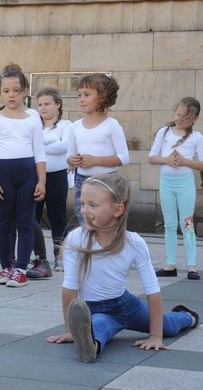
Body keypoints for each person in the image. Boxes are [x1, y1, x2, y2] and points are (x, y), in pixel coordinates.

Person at [45, 173, 199, 363]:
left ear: (117, 210)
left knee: (167, 326)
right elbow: (70, 288)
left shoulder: (134, 243)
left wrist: (155, 336)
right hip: (94, 309)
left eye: (93, 205)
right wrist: (69, 330)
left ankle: (187, 316)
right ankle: (89, 346)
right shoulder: (77, 238)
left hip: (126, 305)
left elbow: (152, 290)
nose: (84, 210)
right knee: (99, 327)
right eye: (82, 203)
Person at [0, 63, 46, 287]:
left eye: (16, 90)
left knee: (26, 223)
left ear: (25, 91)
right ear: (0, 92)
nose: (11, 95)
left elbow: (40, 153)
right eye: (6, 91)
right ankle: (5, 268)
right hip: (3, 175)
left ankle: (20, 269)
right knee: (3, 222)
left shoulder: (32, 118)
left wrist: (42, 182)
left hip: (28, 175)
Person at [148, 97, 203, 280]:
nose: (179, 119)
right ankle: (170, 264)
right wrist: (167, 160)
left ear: (193, 119)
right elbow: (152, 157)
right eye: (177, 114)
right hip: (166, 183)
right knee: (169, 225)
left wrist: (185, 161)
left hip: (185, 183)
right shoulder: (164, 132)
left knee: (187, 224)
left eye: (184, 117)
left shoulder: (196, 137)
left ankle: (191, 266)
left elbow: (202, 163)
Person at [66, 73, 129, 225]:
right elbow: (69, 156)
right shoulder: (75, 126)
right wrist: (72, 160)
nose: (81, 99)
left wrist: (94, 160)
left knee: (105, 222)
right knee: (84, 220)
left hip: (107, 181)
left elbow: (124, 157)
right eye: (79, 95)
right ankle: (87, 248)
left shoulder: (111, 125)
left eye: (87, 95)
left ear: (102, 97)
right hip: (82, 181)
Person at [35, 87, 73, 272]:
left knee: (57, 217)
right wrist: (50, 143)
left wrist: (40, 146)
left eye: (47, 103)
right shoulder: (34, 125)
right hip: (34, 177)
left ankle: (61, 256)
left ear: (58, 104)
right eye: (40, 104)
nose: (43, 108)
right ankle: (37, 257)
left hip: (57, 175)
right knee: (32, 218)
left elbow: (65, 146)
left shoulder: (67, 126)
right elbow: (28, 145)